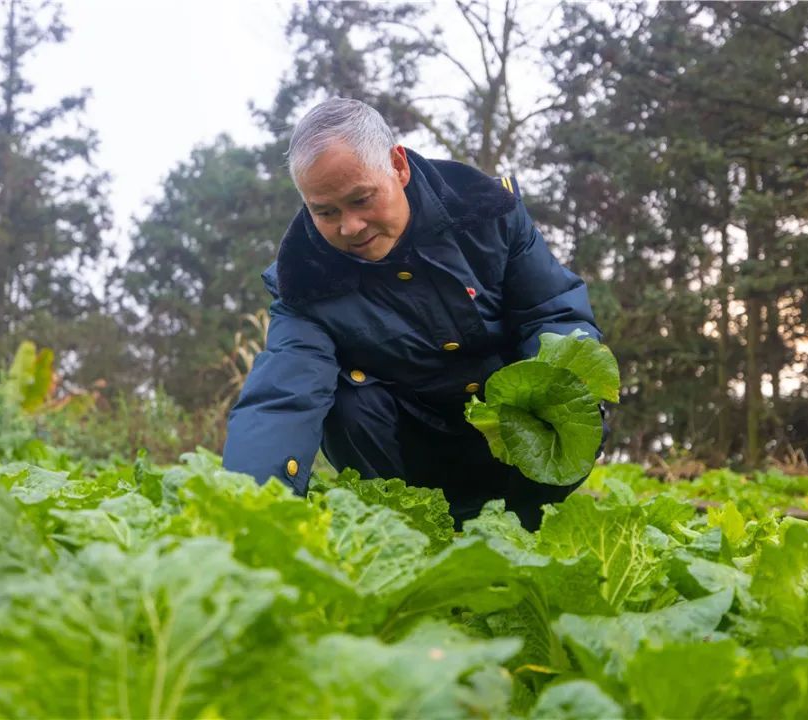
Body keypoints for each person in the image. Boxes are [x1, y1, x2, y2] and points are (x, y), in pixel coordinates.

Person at [222, 97, 605, 531]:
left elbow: (552, 311)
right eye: (325, 212)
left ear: (398, 167)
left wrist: (566, 394)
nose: (350, 226)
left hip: (514, 437)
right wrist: (250, 513)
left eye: (362, 199)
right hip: (413, 457)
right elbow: (282, 399)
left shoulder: (488, 211)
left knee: (573, 376)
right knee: (347, 402)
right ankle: (416, 532)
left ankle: (532, 521)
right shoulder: (304, 281)